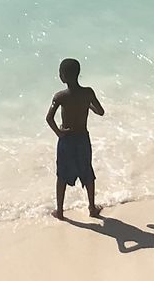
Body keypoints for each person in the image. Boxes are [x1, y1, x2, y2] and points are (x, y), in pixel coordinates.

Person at [46, 57, 105, 219]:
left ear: (62, 76)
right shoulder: (88, 93)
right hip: (82, 139)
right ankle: (92, 208)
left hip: (66, 140)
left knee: (62, 175)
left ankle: (60, 211)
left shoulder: (60, 96)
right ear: (78, 74)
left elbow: (49, 118)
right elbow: (100, 111)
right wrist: (88, 105)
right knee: (87, 172)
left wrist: (59, 133)